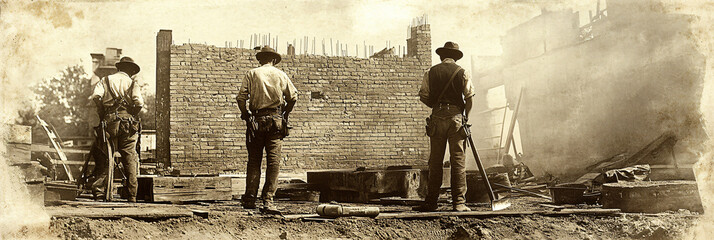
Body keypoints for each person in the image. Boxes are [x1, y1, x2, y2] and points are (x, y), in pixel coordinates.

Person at [414, 42, 475, 212]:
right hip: (456, 119)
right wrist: (465, 118)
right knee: (458, 161)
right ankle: (459, 203)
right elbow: (469, 98)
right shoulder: (463, 72)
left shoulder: (431, 72)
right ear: (456, 57)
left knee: (435, 161)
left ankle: (431, 202)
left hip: (437, 118)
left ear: (441, 56)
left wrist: (437, 106)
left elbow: (423, 96)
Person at [236, 46, 298, 212]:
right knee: (273, 162)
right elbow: (293, 98)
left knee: (254, 161)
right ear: (274, 60)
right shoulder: (281, 74)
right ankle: (268, 200)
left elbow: (241, 99)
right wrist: (284, 114)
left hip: (256, 122)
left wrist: (246, 115)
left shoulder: (252, 73)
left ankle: (249, 199)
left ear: (260, 59)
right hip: (275, 122)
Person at [90, 56, 144, 202]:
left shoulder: (105, 80)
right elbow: (139, 104)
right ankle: (132, 195)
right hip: (128, 125)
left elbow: (96, 97)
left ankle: (100, 193)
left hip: (109, 123)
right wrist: (129, 114)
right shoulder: (133, 84)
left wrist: (103, 112)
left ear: (119, 68)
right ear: (131, 71)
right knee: (129, 159)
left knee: (104, 156)